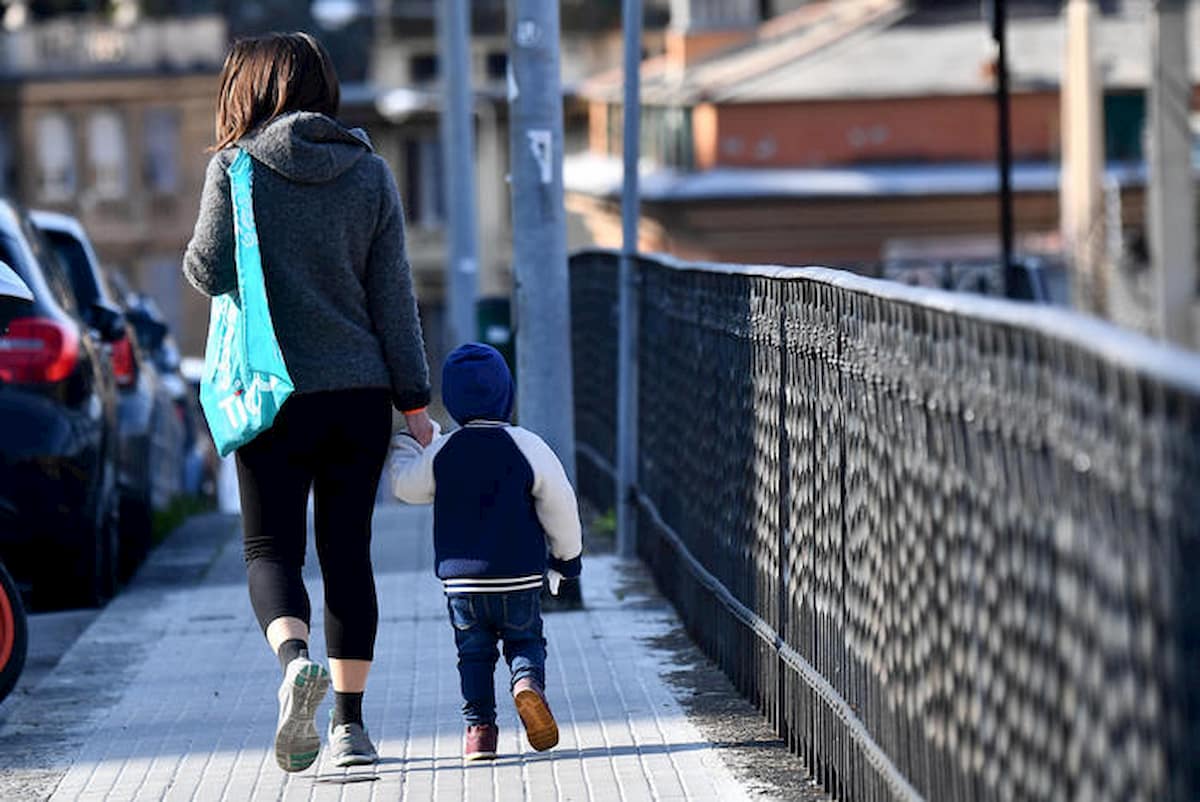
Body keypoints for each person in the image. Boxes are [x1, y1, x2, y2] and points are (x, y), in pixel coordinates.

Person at [183, 32, 434, 772]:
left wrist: (234, 204)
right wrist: (414, 401)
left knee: (269, 549)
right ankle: (352, 729)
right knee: (348, 554)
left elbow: (204, 267)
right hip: (357, 394)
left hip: (271, 389)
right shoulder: (370, 173)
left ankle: (295, 663)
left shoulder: (236, 167)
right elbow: (396, 300)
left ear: (248, 90)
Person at [390, 343, 583, 761]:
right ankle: (526, 683)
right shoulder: (526, 445)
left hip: (463, 585)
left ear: (453, 400)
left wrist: (408, 443)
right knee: (525, 640)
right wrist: (567, 559)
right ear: (507, 394)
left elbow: (405, 487)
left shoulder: (445, 451)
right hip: (520, 576)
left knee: (472, 655)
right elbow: (560, 503)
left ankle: (479, 732)